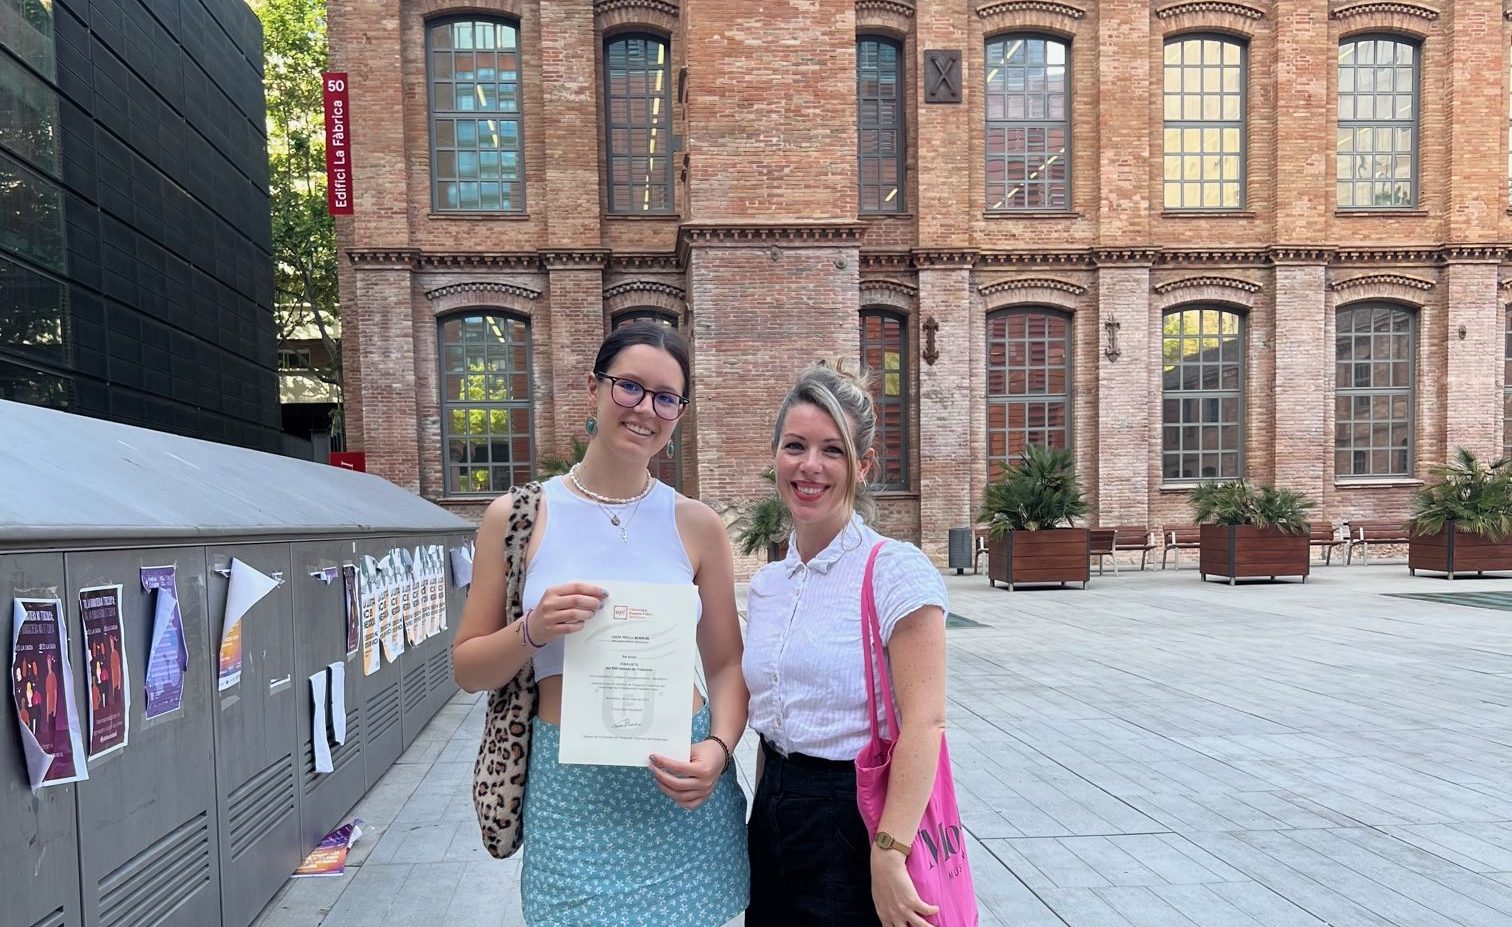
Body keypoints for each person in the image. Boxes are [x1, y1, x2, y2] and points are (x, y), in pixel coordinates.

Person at [452, 322, 749, 927]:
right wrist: (533, 629)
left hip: (680, 783)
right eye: (630, 387)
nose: (646, 409)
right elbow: (467, 668)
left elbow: (725, 664)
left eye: (666, 398)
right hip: (572, 790)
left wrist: (718, 750)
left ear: (679, 413)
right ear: (594, 388)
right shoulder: (516, 517)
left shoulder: (697, 525)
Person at [744, 361, 950, 927]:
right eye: (795, 446)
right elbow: (773, 723)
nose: (810, 465)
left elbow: (926, 722)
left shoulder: (892, 570)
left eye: (831, 450)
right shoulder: (768, 585)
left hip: (856, 816)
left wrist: (890, 852)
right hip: (774, 811)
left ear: (862, 466)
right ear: (776, 456)